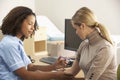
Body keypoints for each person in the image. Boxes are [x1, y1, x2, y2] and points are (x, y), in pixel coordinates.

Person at [0, 6, 72, 80]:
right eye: (30, 24)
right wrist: (56, 75)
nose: (33, 28)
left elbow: (31, 67)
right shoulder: (9, 44)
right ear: (18, 22)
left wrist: (53, 67)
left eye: (33, 25)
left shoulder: (16, 42)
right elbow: (26, 75)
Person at [64, 7, 117, 80]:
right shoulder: (84, 44)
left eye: (76, 29)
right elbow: (72, 71)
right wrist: (54, 71)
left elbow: (91, 78)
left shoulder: (105, 48)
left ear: (82, 26)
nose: (76, 33)